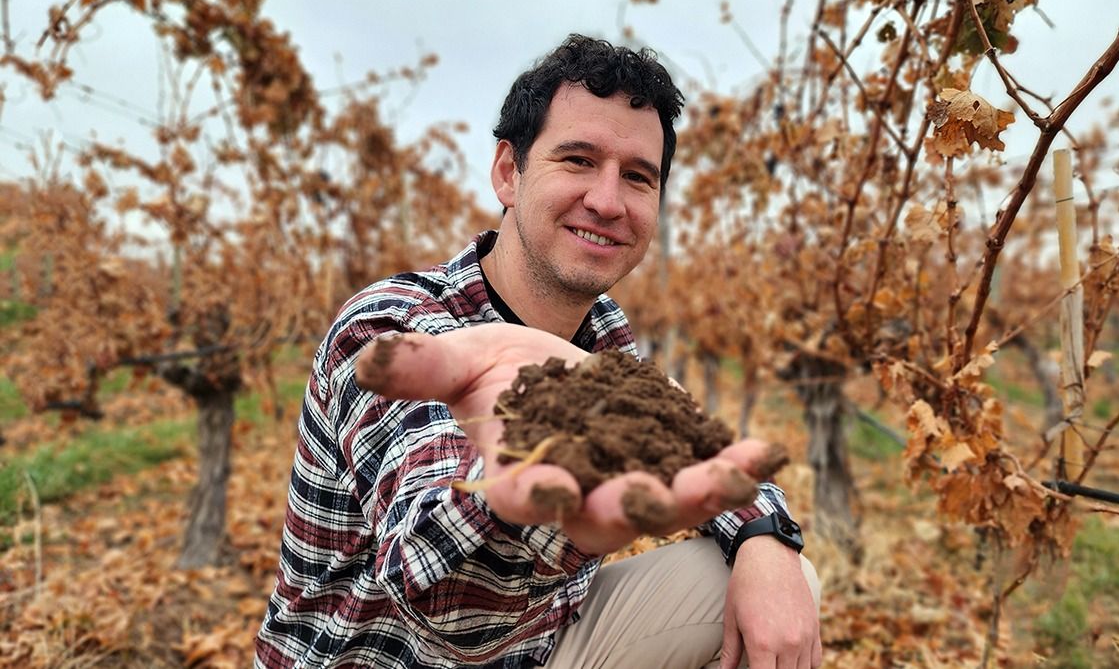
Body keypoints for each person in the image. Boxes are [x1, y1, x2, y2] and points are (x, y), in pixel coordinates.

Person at [256, 34, 821, 669]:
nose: (607, 202)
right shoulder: (395, 326)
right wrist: (498, 500)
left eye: (637, 176)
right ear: (508, 173)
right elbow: (442, 603)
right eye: (578, 160)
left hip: (535, 650)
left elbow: (704, 445)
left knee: (773, 580)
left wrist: (767, 537)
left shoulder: (605, 338)